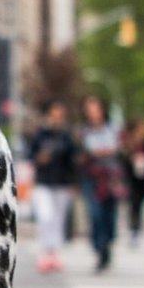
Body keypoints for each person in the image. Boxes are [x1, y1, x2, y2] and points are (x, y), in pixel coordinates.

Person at [27, 100, 77, 272]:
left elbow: (73, 160)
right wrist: (39, 159)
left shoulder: (67, 137)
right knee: (45, 216)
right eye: (54, 115)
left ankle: (54, 253)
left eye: (60, 116)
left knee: (58, 220)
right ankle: (44, 251)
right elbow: (30, 155)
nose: (57, 119)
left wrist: (73, 182)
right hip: (44, 182)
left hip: (62, 183)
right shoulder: (40, 135)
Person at [77, 95, 125, 272]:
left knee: (110, 213)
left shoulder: (113, 129)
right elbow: (83, 153)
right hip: (91, 177)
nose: (93, 114)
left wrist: (101, 152)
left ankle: (108, 243)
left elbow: (118, 149)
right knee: (95, 213)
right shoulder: (83, 131)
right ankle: (99, 246)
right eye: (89, 110)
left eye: (96, 109)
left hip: (111, 177)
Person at [119, 117, 144, 247]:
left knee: (139, 204)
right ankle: (133, 229)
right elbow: (121, 158)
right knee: (133, 204)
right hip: (130, 177)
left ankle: (137, 228)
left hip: (142, 177)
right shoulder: (127, 142)